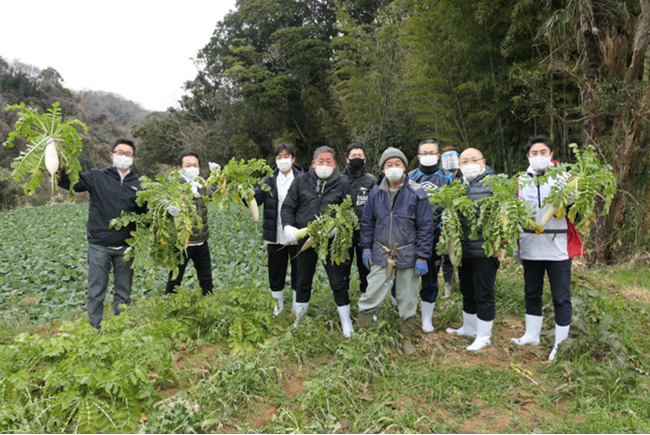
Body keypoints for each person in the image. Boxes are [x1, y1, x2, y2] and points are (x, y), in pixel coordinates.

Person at [58, 138, 147, 332]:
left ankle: (121, 328)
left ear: (133, 158)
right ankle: (94, 329)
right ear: (112, 155)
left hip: (126, 247)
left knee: (124, 293)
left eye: (128, 154)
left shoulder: (140, 184)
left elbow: (146, 213)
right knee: (96, 291)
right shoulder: (97, 177)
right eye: (120, 152)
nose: (124, 156)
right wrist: (58, 163)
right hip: (99, 245)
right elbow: (70, 182)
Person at [511, 135, 583, 361]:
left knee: (561, 297)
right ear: (528, 156)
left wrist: (574, 201)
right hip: (531, 245)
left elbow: (576, 215)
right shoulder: (519, 181)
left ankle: (560, 344)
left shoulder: (566, 179)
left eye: (543, 152)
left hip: (558, 246)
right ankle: (532, 335)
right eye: (534, 153)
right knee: (532, 293)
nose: (539, 157)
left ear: (551, 155)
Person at [356, 147, 434, 354]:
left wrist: (423, 256)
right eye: (388, 165)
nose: (393, 169)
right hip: (382, 254)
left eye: (397, 164)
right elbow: (367, 222)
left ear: (405, 167)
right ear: (382, 169)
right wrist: (365, 247)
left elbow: (426, 226)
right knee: (371, 293)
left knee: (408, 298)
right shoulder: (376, 192)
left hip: (409, 255)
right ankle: (362, 333)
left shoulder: (417, 192)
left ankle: (406, 337)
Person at [281, 146, 354, 337]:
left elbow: (349, 211)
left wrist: (338, 228)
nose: (324, 164)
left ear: (335, 164)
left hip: (331, 242)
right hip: (305, 238)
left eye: (328, 161)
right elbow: (288, 206)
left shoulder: (343, 183)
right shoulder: (301, 181)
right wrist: (288, 226)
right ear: (313, 163)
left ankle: (346, 322)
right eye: (320, 161)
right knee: (303, 280)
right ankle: (299, 319)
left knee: (338, 281)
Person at [445, 147, 499, 351]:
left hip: (486, 249)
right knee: (467, 289)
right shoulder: (457, 185)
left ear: (483, 162)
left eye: (473, 160)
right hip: (464, 247)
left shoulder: (494, 184)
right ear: (459, 165)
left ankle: (484, 336)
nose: (469, 164)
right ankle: (468, 327)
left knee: (483, 292)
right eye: (464, 161)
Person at [407, 139, 454, 333]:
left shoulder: (448, 177)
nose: (428, 156)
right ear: (419, 156)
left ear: (438, 155)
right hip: (411, 236)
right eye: (424, 153)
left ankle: (427, 320)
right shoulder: (409, 177)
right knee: (407, 277)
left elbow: (455, 200)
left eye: (432, 152)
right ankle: (405, 314)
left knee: (431, 277)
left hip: (437, 235)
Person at [254, 143, 304, 315]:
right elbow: (256, 199)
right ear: (275, 160)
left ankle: (298, 307)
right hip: (275, 234)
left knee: (299, 270)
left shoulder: (303, 178)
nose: (283, 160)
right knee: (276, 271)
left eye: (286, 156)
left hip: (297, 233)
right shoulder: (267, 179)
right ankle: (278, 306)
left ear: (293, 158)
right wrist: (246, 194)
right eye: (279, 157)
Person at [165, 151, 219, 297]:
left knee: (206, 278)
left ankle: (208, 305)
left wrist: (216, 175)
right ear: (179, 168)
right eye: (188, 165)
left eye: (195, 165)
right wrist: (168, 206)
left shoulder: (200, 183)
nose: (192, 168)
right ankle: (169, 307)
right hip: (182, 242)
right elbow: (162, 199)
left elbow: (210, 193)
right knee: (175, 279)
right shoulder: (174, 185)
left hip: (201, 241)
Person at [341, 143, 378, 294]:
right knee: (343, 271)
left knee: (367, 271)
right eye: (353, 156)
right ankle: (343, 304)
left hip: (366, 232)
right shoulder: (339, 180)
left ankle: (367, 304)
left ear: (365, 158)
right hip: (344, 232)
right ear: (347, 159)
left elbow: (377, 207)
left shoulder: (371, 180)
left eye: (360, 156)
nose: (357, 158)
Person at [439, 145, 461, 297]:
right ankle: (448, 288)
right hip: (445, 225)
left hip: (462, 225)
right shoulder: (441, 177)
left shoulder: (465, 177)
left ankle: (464, 286)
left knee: (460, 257)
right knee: (447, 257)